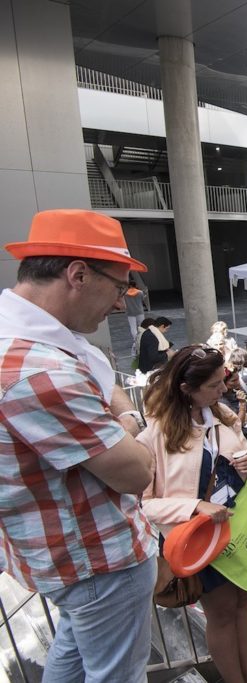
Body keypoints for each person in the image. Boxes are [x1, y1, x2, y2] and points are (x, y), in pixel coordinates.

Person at [0, 210, 157, 682]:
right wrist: (128, 418)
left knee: (70, 657)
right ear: (78, 274)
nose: (118, 305)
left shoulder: (34, 345)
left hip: (58, 559)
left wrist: (112, 416)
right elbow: (137, 471)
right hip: (98, 561)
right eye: (119, 288)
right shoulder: (42, 371)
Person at [139, 344, 247, 683]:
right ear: (186, 389)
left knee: (243, 605)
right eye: (214, 385)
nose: (224, 389)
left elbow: (235, 463)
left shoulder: (222, 417)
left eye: (222, 381)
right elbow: (143, 503)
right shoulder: (155, 435)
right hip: (199, 543)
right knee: (223, 614)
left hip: (235, 530)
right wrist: (195, 506)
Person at [123, 278, 147, 345]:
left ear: (129, 285)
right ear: (135, 285)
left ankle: (136, 340)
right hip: (139, 311)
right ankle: (143, 339)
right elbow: (142, 299)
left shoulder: (125, 293)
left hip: (130, 312)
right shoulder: (140, 292)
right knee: (142, 326)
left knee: (133, 327)